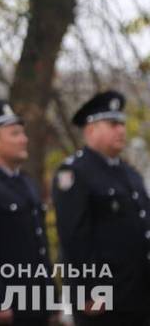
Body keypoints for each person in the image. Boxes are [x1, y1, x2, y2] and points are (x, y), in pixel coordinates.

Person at [52, 90, 150, 326]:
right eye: (113, 124)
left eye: (122, 124)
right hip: (103, 301)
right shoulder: (75, 172)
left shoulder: (130, 174)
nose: (121, 130)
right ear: (91, 129)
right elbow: (74, 238)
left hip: (138, 296)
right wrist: (86, 292)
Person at [0, 100, 54, 326]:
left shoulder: (27, 183)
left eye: (23, 133)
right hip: (7, 307)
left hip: (37, 302)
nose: (24, 139)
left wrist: (51, 298)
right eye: (15, 133)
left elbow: (40, 246)